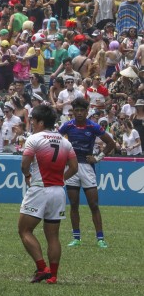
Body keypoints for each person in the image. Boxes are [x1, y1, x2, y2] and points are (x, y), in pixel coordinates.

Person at [19, 103, 78, 284]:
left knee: (24, 230)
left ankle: (41, 267)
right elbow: (74, 168)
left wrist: (28, 175)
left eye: (34, 121)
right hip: (58, 191)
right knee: (53, 236)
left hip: (39, 190)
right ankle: (53, 276)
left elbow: (24, 164)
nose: (32, 125)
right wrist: (61, 178)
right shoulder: (65, 141)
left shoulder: (34, 139)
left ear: (41, 122)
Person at [59, 97, 118, 247]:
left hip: (86, 167)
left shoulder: (93, 126)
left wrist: (98, 157)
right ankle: (76, 238)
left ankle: (100, 239)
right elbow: (55, 140)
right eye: (76, 110)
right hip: (71, 167)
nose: (79, 113)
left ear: (86, 112)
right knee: (73, 204)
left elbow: (111, 142)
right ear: (73, 112)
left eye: (81, 110)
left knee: (94, 204)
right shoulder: (67, 126)